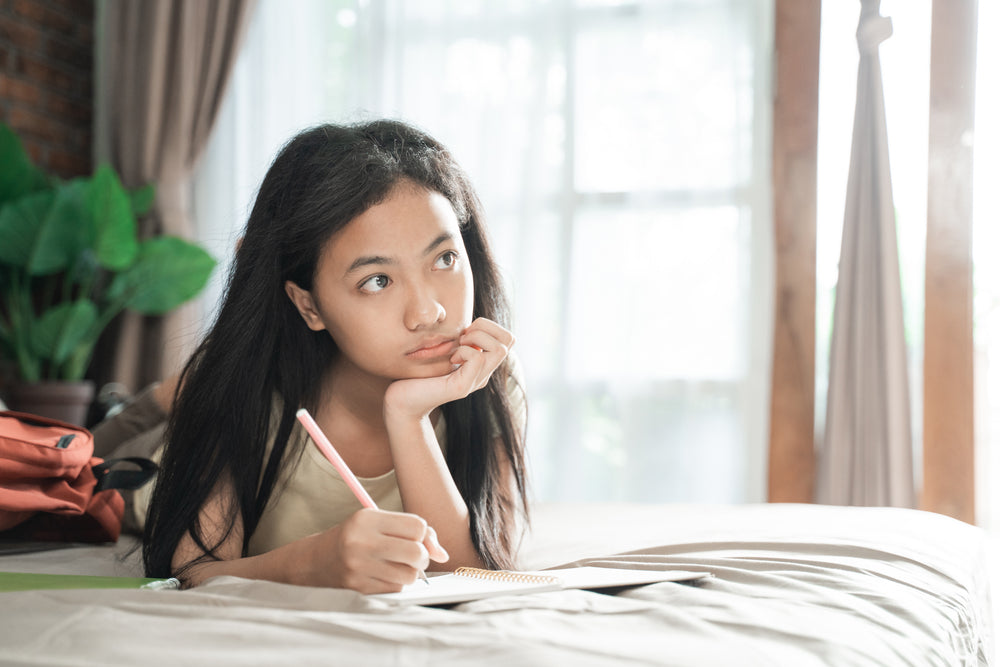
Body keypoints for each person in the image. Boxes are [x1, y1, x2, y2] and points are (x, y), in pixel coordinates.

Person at [141, 120, 528, 593]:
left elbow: (476, 577)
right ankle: (140, 406)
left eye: (444, 258)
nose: (429, 312)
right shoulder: (243, 391)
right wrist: (308, 563)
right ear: (308, 305)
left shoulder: (490, 376)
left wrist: (407, 416)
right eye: (377, 281)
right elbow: (189, 574)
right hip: (137, 469)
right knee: (90, 468)